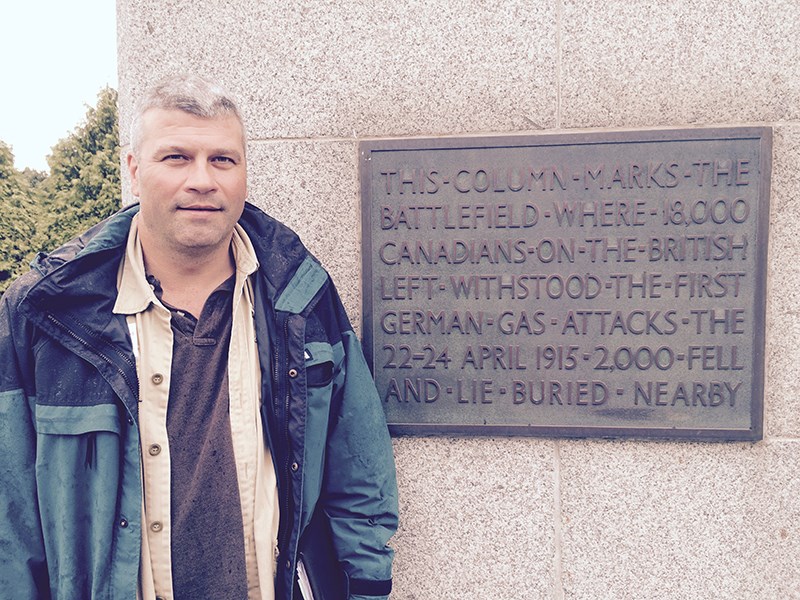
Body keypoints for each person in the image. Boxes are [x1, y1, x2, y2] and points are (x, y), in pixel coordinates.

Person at [0, 74, 398, 600]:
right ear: (134, 169)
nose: (202, 180)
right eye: (176, 158)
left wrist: (367, 586)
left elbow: (359, 464)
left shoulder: (299, 293)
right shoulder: (45, 313)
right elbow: (11, 514)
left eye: (223, 160)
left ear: (244, 174)